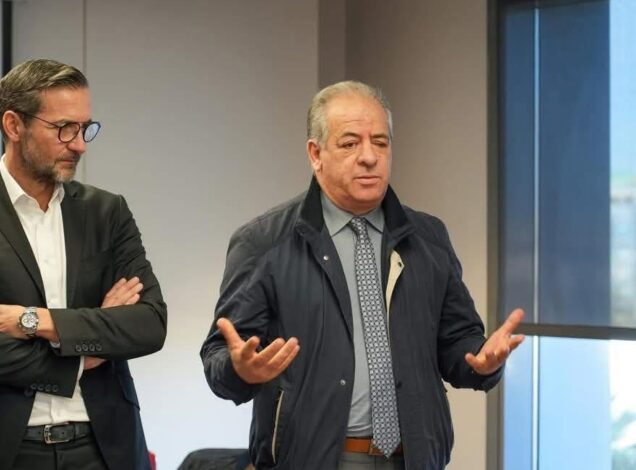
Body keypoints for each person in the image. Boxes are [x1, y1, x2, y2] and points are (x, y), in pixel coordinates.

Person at [200, 81, 524, 470]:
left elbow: (457, 342)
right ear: (315, 153)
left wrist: (482, 362)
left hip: (414, 458)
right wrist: (240, 370)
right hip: (315, 460)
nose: (369, 157)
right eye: (350, 143)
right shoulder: (264, 242)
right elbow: (219, 357)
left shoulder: (428, 238)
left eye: (381, 143)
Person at [0, 59, 166, 470]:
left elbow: (149, 324)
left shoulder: (107, 212)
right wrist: (86, 354)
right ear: (14, 125)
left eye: (85, 128)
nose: (80, 144)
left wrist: (38, 321)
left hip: (103, 448)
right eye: (64, 128)